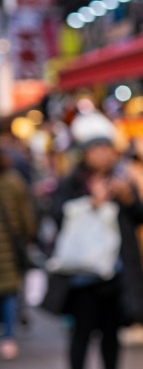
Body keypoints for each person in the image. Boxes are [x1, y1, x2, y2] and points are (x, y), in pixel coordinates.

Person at [48, 113, 143, 369]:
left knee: (111, 335)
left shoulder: (122, 181)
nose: (104, 154)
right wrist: (90, 204)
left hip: (116, 274)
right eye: (97, 148)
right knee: (81, 334)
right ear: (84, 153)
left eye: (107, 148)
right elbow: (56, 215)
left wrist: (129, 199)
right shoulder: (71, 183)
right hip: (82, 275)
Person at [0, 150, 36, 360]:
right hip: (10, 245)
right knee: (10, 291)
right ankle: (9, 338)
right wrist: (29, 234)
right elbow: (26, 212)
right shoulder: (14, 180)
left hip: (8, 244)